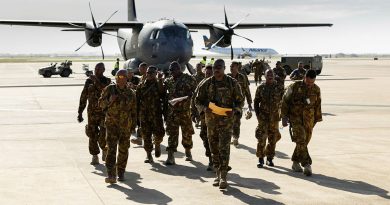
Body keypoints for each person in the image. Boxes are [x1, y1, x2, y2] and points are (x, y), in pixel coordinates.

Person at [195, 59, 244, 189]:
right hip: (211, 122)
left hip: (226, 122)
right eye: (215, 67)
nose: (216, 70)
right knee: (214, 148)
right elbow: (197, 101)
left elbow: (240, 102)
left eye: (219, 67)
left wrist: (234, 111)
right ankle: (217, 173)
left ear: (224, 68)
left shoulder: (232, 83)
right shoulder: (206, 83)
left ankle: (223, 176)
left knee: (224, 148)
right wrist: (205, 109)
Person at [98, 69, 137, 183]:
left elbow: (134, 111)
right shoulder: (110, 89)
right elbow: (100, 103)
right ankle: (111, 175)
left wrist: (133, 126)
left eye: (124, 77)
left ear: (127, 79)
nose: (122, 79)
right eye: (119, 77)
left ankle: (121, 172)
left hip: (125, 126)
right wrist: (109, 100)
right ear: (116, 78)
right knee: (111, 150)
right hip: (111, 126)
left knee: (124, 150)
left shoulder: (131, 93)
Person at [281, 69, 322, 176]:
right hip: (296, 119)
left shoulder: (316, 89)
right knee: (301, 139)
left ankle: (295, 162)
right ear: (304, 78)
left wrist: (316, 119)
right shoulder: (294, 86)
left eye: (312, 82)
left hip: (309, 119)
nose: (310, 85)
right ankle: (306, 164)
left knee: (303, 141)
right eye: (308, 82)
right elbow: (285, 101)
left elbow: (317, 105)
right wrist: (284, 117)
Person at [77, 62, 111, 165]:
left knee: (103, 134)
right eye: (96, 69)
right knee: (92, 134)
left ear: (103, 70)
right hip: (91, 113)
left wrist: (96, 81)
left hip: (103, 113)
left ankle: (104, 149)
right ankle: (94, 155)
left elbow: (104, 91)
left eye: (99, 69)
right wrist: (80, 112)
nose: (97, 71)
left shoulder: (107, 81)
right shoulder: (88, 81)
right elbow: (83, 96)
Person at [164, 61, 197, 165]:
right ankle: (170, 155)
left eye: (173, 70)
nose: (172, 72)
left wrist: (188, 98)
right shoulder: (168, 81)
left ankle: (188, 151)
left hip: (185, 111)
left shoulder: (188, 79)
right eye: (170, 71)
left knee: (187, 133)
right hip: (173, 112)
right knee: (172, 133)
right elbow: (163, 92)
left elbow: (196, 92)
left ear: (179, 69)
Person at [254, 69, 284, 168]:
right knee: (261, 139)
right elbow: (256, 102)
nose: (270, 76)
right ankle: (260, 159)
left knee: (273, 139)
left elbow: (284, 102)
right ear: (264, 76)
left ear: (274, 76)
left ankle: (269, 158)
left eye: (272, 75)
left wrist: (283, 116)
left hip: (274, 119)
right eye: (268, 75)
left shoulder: (279, 88)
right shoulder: (261, 88)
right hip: (263, 118)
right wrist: (258, 115)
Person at [136, 66, 166, 163]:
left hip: (156, 114)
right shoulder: (141, 85)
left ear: (155, 73)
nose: (149, 75)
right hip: (144, 115)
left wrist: (160, 80)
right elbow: (137, 100)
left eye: (151, 73)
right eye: (148, 73)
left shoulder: (159, 84)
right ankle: (149, 155)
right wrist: (136, 116)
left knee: (159, 133)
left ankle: (157, 144)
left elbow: (162, 94)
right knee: (146, 135)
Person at [191, 65, 213, 170]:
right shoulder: (201, 84)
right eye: (206, 74)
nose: (208, 75)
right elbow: (194, 99)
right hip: (204, 116)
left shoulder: (218, 84)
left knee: (215, 139)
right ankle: (210, 158)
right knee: (204, 136)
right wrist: (193, 112)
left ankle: (215, 161)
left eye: (210, 74)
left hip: (217, 117)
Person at [228, 61, 252, 147]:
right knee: (228, 121)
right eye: (230, 66)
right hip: (227, 103)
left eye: (233, 66)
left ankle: (235, 138)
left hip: (239, 103)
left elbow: (247, 90)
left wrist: (249, 104)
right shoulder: (227, 77)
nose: (231, 68)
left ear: (237, 67)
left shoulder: (242, 77)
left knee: (237, 120)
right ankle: (231, 136)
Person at [130, 62, 149, 146]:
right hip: (140, 104)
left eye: (142, 68)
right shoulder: (141, 78)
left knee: (146, 122)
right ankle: (140, 138)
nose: (140, 70)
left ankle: (144, 139)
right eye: (139, 68)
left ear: (146, 69)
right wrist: (133, 87)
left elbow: (144, 90)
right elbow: (139, 89)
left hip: (149, 105)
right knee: (140, 121)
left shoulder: (149, 78)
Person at [192, 63, 206, 128]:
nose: (198, 68)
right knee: (195, 108)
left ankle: (201, 121)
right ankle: (197, 121)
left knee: (201, 108)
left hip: (202, 95)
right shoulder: (193, 76)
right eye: (197, 67)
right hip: (195, 94)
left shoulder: (204, 76)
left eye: (199, 67)